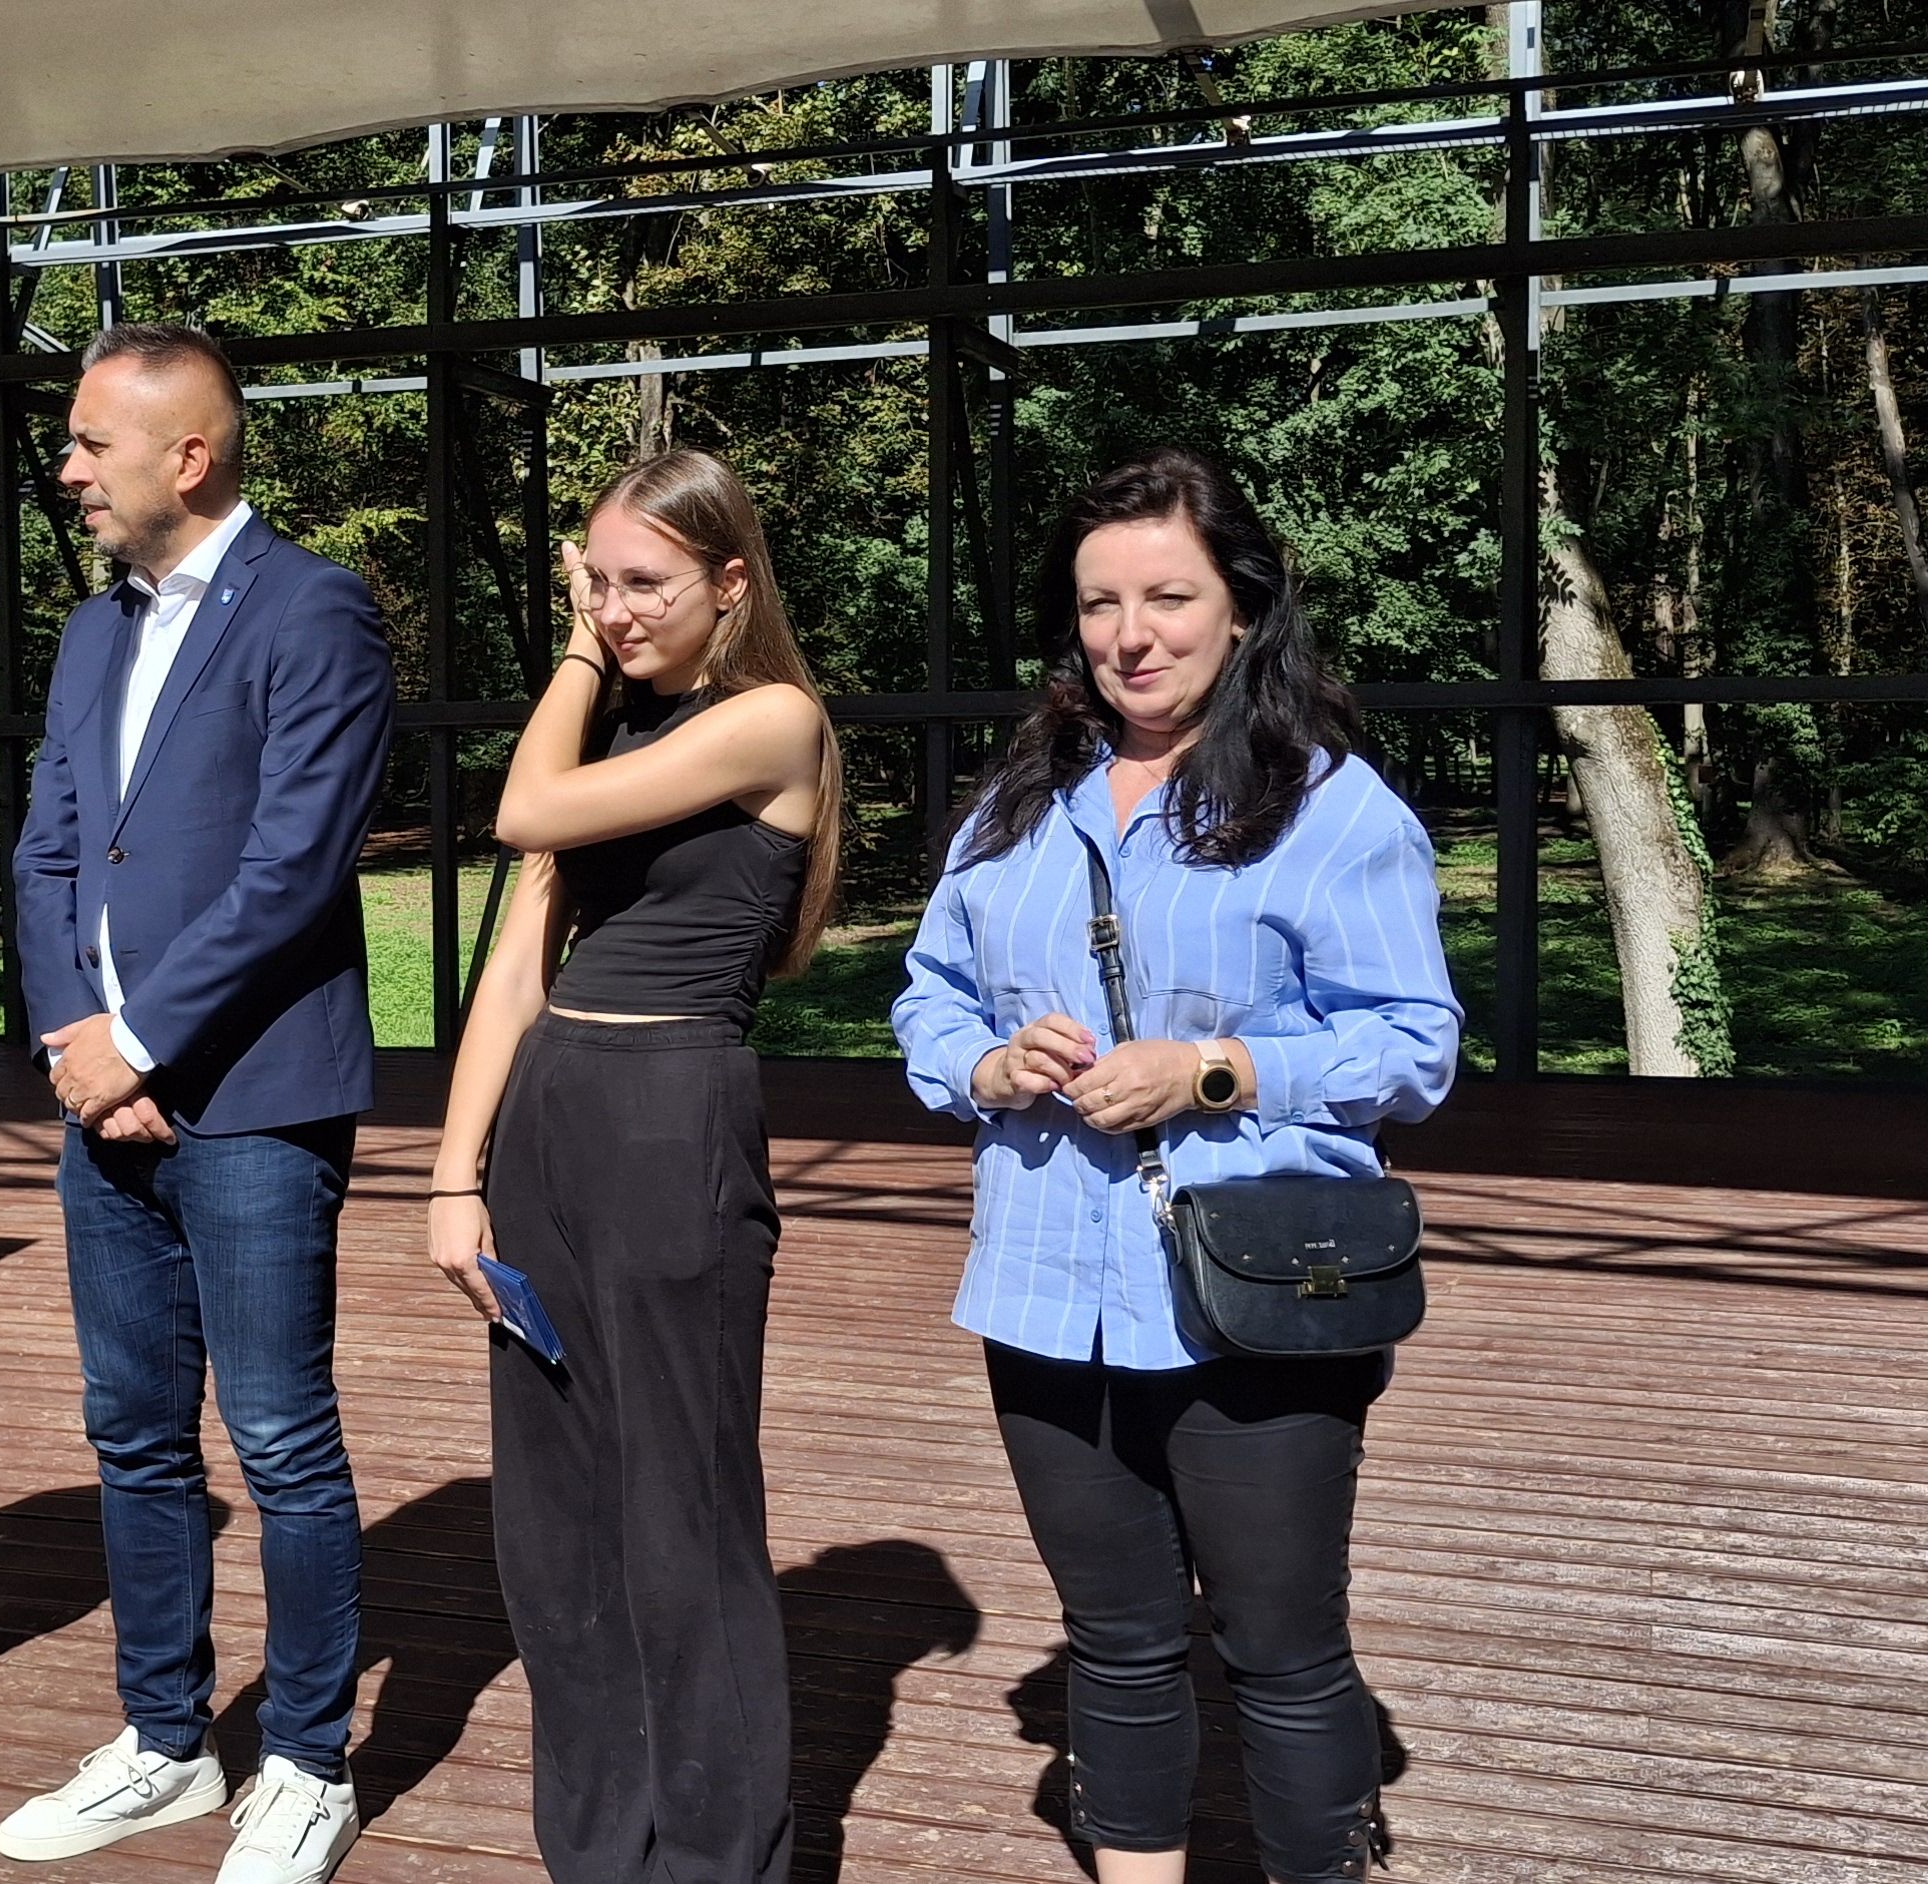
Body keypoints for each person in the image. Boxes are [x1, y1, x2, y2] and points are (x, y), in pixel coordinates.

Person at [889, 448, 1459, 1884]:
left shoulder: (1334, 810)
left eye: (1168, 598)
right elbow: (928, 995)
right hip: (1043, 1290)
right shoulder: (1017, 809)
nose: (1130, 636)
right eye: (1100, 604)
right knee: (1117, 1643)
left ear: (1243, 609)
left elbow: (1414, 1047)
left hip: (1253, 1290)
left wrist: (1212, 1070)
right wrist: (987, 1065)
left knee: (1282, 1650)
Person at [0, 321, 389, 1883]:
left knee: (280, 1441)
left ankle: (306, 1764)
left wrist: (140, 1045)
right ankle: (165, 1743)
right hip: (103, 1098)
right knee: (134, 1434)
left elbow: (293, 870)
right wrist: (77, 1042)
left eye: (92, 443)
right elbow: (45, 850)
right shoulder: (94, 631)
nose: (69, 470)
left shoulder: (314, 609)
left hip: (254, 1103)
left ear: (193, 454)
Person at [425, 450, 838, 1884]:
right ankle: (598, 1853)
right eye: (594, 583)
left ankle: (720, 1861)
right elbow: (517, 963)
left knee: (680, 1526)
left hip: (672, 1120)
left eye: (643, 583)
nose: (612, 610)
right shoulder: (619, 732)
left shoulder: (770, 720)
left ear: (732, 583)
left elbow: (523, 815)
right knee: (553, 1531)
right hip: (551, 1118)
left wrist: (572, 661)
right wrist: (454, 1178)